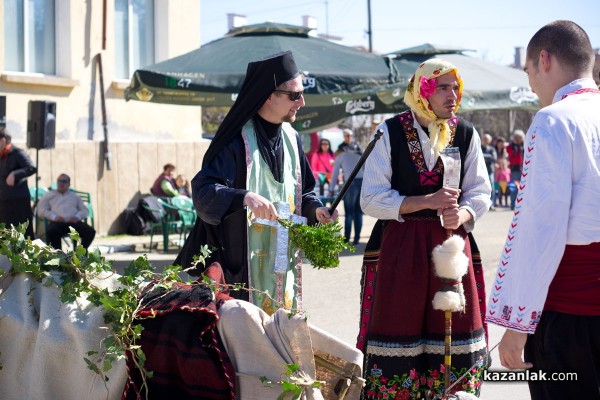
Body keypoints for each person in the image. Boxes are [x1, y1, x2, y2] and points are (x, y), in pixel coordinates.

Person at [358, 59, 491, 398]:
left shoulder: (465, 132)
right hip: (401, 249)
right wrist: (425, 201)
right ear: (423, 91)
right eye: (443, 87)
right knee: (397, 327)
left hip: (451, 248)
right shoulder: (388, 132)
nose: (453, 95)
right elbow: (370, 198)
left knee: (455, 330)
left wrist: (461, 215)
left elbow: (480, 191)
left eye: (455, 87)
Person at [487, 20, 600, 400]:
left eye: (529, 69)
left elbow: (541, 231)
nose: (531, 83)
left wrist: (517, 326)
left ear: (545, 59)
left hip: (571, 313)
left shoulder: (555, 119)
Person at [175, 51, 337, 313]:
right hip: (240, 269)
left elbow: (304, 192)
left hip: (282, 262)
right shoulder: (236, 141)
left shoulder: (293, 139)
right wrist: (243, 196)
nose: (302, 102)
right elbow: (204, 190)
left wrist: (315, 210)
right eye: (295, 95)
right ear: (269, 95)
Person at [38, 174, 96, 250]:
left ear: (69, 184)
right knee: (51, 232)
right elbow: (41, 210)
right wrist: (54, 217)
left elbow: (85, 210)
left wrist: (77, 217)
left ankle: (78, 254)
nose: (61, 183)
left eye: (64, 181)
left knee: (90, 232)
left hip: (73, 222)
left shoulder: (75, 196)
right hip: (57, 222)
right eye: (59, 181)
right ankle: (58, 257)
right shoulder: (49, 195)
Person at [0, 127, 36, 239]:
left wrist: (15, 174)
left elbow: (31, 167)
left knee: (23, 235)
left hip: (18, 203)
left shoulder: (17, 153)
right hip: (4, 202)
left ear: (2, 140)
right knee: (5, 235)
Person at [327, 142, 363, 245]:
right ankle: (356, 239)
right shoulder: (358, 155)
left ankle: (346, 240)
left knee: (349, 213)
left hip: (350, 184)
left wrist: (330, 189)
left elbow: (334, 174)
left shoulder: (341, 156)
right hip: (361, 183)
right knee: (358, 212)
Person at [481, 133, 497, 209]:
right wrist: (488, 156)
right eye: (484, 139)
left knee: (492, 188)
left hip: (490, 171)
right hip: (480, 171)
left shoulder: (492, 149)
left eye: (487, 139)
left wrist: (484, 156)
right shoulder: (479, 147)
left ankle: (491, 204)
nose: (485, 141)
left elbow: (494, 158)